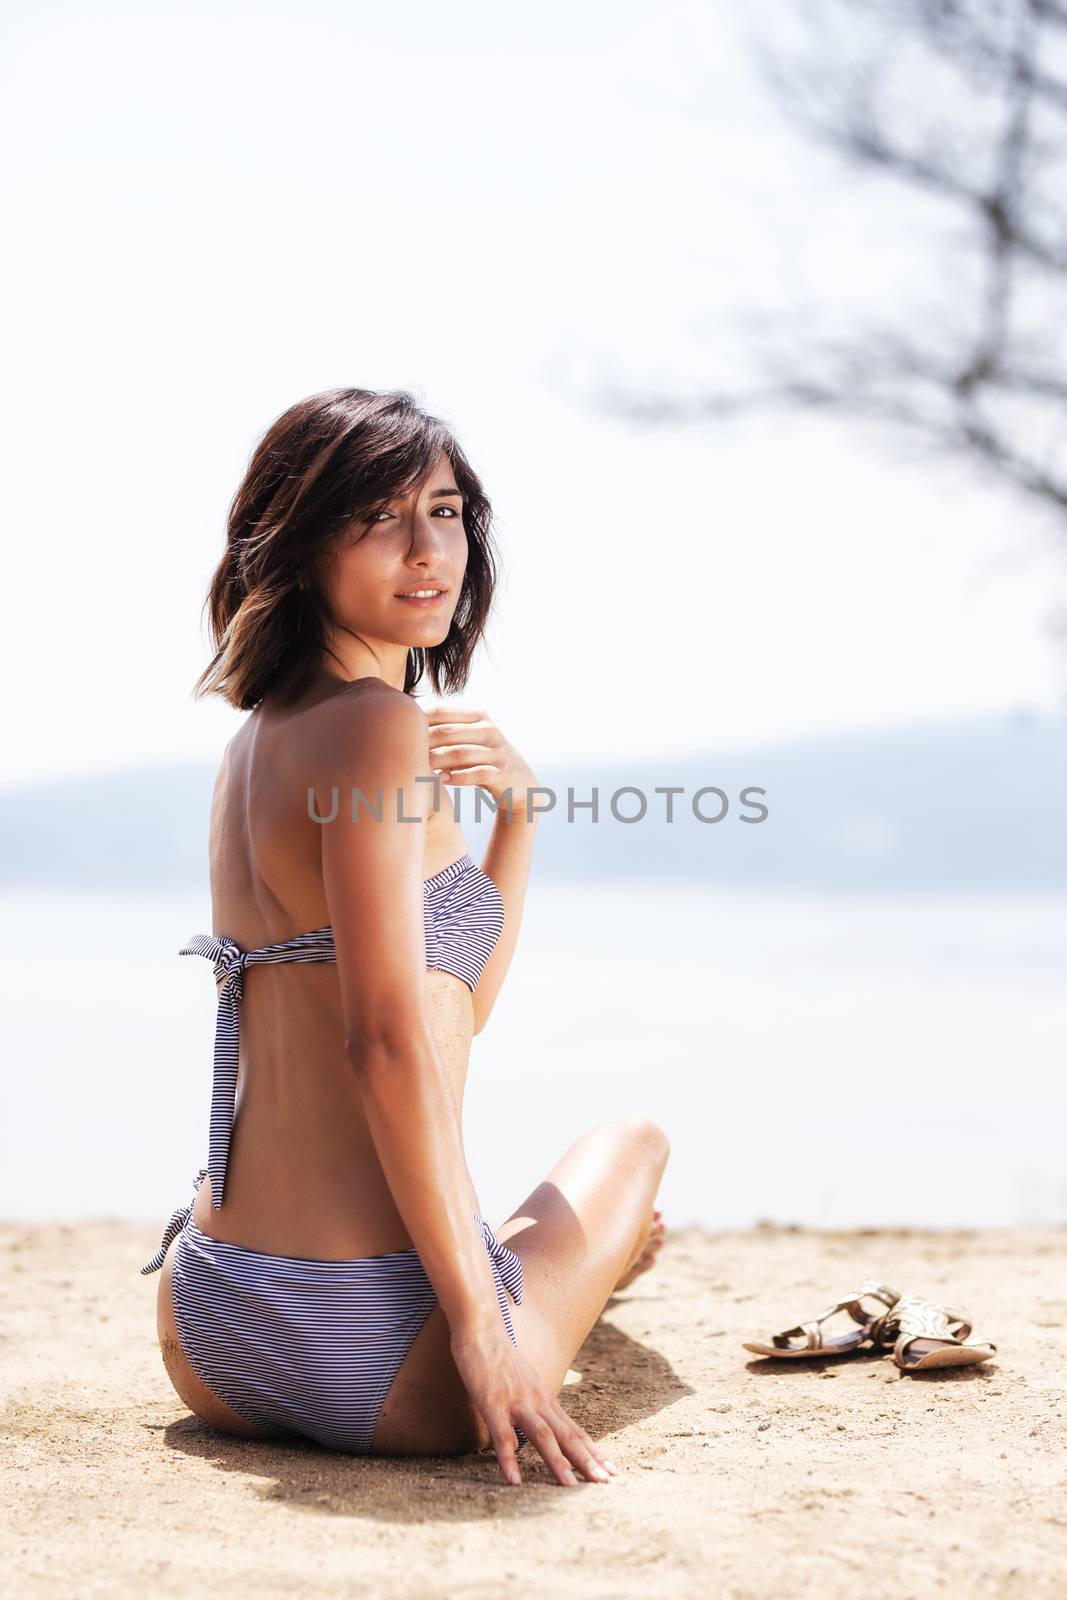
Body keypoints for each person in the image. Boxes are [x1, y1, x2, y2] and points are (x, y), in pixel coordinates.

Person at [146, 386, 671, 1488]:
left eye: (444, 512)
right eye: (377, 517)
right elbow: (384, 1047)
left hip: (209, 1327)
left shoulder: (261, 739)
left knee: (575, 1208)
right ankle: (558, 1278)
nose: (428, 548)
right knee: (630, 1145)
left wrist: (514, 822)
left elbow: (448, 1013)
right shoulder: (377, 729)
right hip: (378, 1353)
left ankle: (560, 1272)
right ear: (294, 540)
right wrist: (477, 1328)